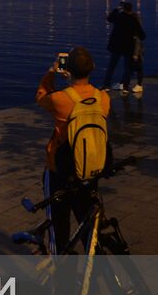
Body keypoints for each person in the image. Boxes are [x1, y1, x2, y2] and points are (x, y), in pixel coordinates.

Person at [36, 47, 110, 253]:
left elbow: (41, 95)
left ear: (67, 70)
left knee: (58, 225)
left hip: (60, 169)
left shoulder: (62, 100)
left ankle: (62, 268)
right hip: (89, 169)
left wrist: (51, 72)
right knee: (86, 220)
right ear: (92, 68)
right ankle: (92, 263)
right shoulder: (103, 98)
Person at [103, 1, 146, 94]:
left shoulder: (118, 17)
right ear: (131, 9)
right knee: (127, 68)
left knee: (111, 67)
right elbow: (142, 35)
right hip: (128, 47)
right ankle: (125, 88)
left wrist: (116, 9)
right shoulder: (133, 20)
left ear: (123, 8)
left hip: (116, 46)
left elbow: (109, 18)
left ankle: (106, 85)